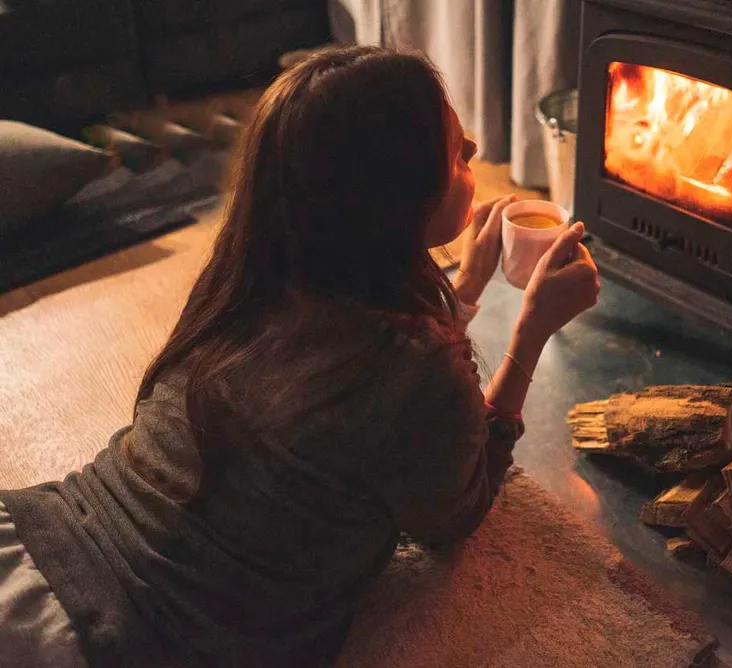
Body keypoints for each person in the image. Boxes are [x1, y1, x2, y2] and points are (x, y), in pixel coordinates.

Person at [0, 45, 599, 668]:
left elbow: (382, 391)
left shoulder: (250, 278)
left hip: (40, 536)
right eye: (451, 151)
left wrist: (465, 287)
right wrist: (531, 332)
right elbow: (454, 515)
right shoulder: (416, 370)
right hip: (111, 639)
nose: (473, 147)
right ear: (390, 198)